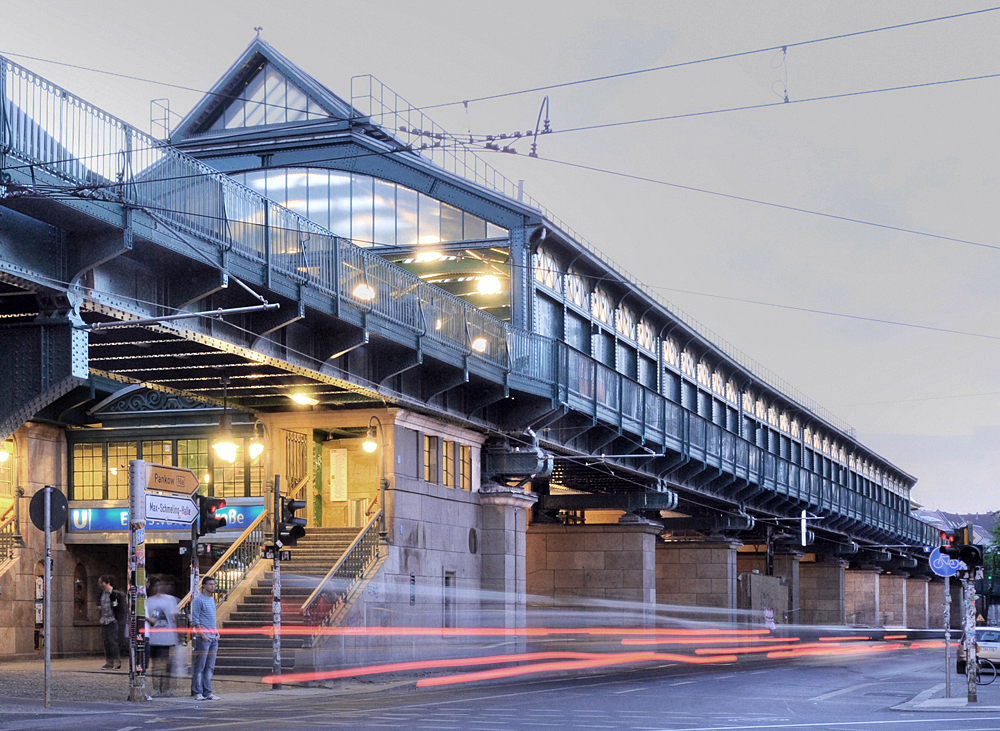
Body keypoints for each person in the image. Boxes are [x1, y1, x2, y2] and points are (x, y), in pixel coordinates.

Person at [145, 575, 179, 696]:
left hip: (167, 637)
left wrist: (177, 634)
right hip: (154, 637)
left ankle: (165, 688)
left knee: (165, 664)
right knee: (156, 665)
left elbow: (175, 617)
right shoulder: (148, 601)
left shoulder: (170, 600)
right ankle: (157, 688)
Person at [190, 576, 221, 701]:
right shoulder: (198, 600)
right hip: (204, 637)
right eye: (210, 584)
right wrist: (202, 634)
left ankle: (208, 691)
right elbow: (196, 619)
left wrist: (217, 632)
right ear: (204, 586)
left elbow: (212, 618)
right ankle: (198, 691)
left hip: (213, 637)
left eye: (213, 584)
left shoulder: (212, 600)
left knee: (210, 666)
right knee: (200, 665)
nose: (212, 586)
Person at [97, 575, 126, 670]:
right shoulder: (102, 593)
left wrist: (117, 618)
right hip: (105, 619)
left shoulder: (115, 593)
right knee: (106, 642)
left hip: (112, 620)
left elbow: (121, 608)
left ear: (107, 583)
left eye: (101, 582)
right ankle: (109, 662)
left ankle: (117, 662)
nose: (100, 585)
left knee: (113, 642)